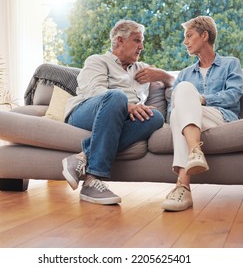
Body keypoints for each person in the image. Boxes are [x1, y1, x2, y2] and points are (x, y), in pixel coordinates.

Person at [62, 19, 175, 205]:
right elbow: (94, 91)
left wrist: (163, 76)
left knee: (155, 117)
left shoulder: (143, 69)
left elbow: (179, 84)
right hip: (86, 112)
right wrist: (127, 106)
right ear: (120, 40)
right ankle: (93, 178)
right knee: (117, 97)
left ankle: (82, 157)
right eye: (137, 40)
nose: (142, 46)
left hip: (121, 119)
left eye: (142, 41)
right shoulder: (97, 61)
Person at [161, 16, 243, 211]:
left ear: (205, 35)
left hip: (220, 116)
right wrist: (190, 103)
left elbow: (233, 95)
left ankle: (182, 185)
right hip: (193, 120)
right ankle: (193, 157)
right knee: (178, 106)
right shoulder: (185, 74)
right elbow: (174, 109)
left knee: (182, 103)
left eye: (189, 36)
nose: (185, 42)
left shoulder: (230, 64)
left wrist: (203, 100)